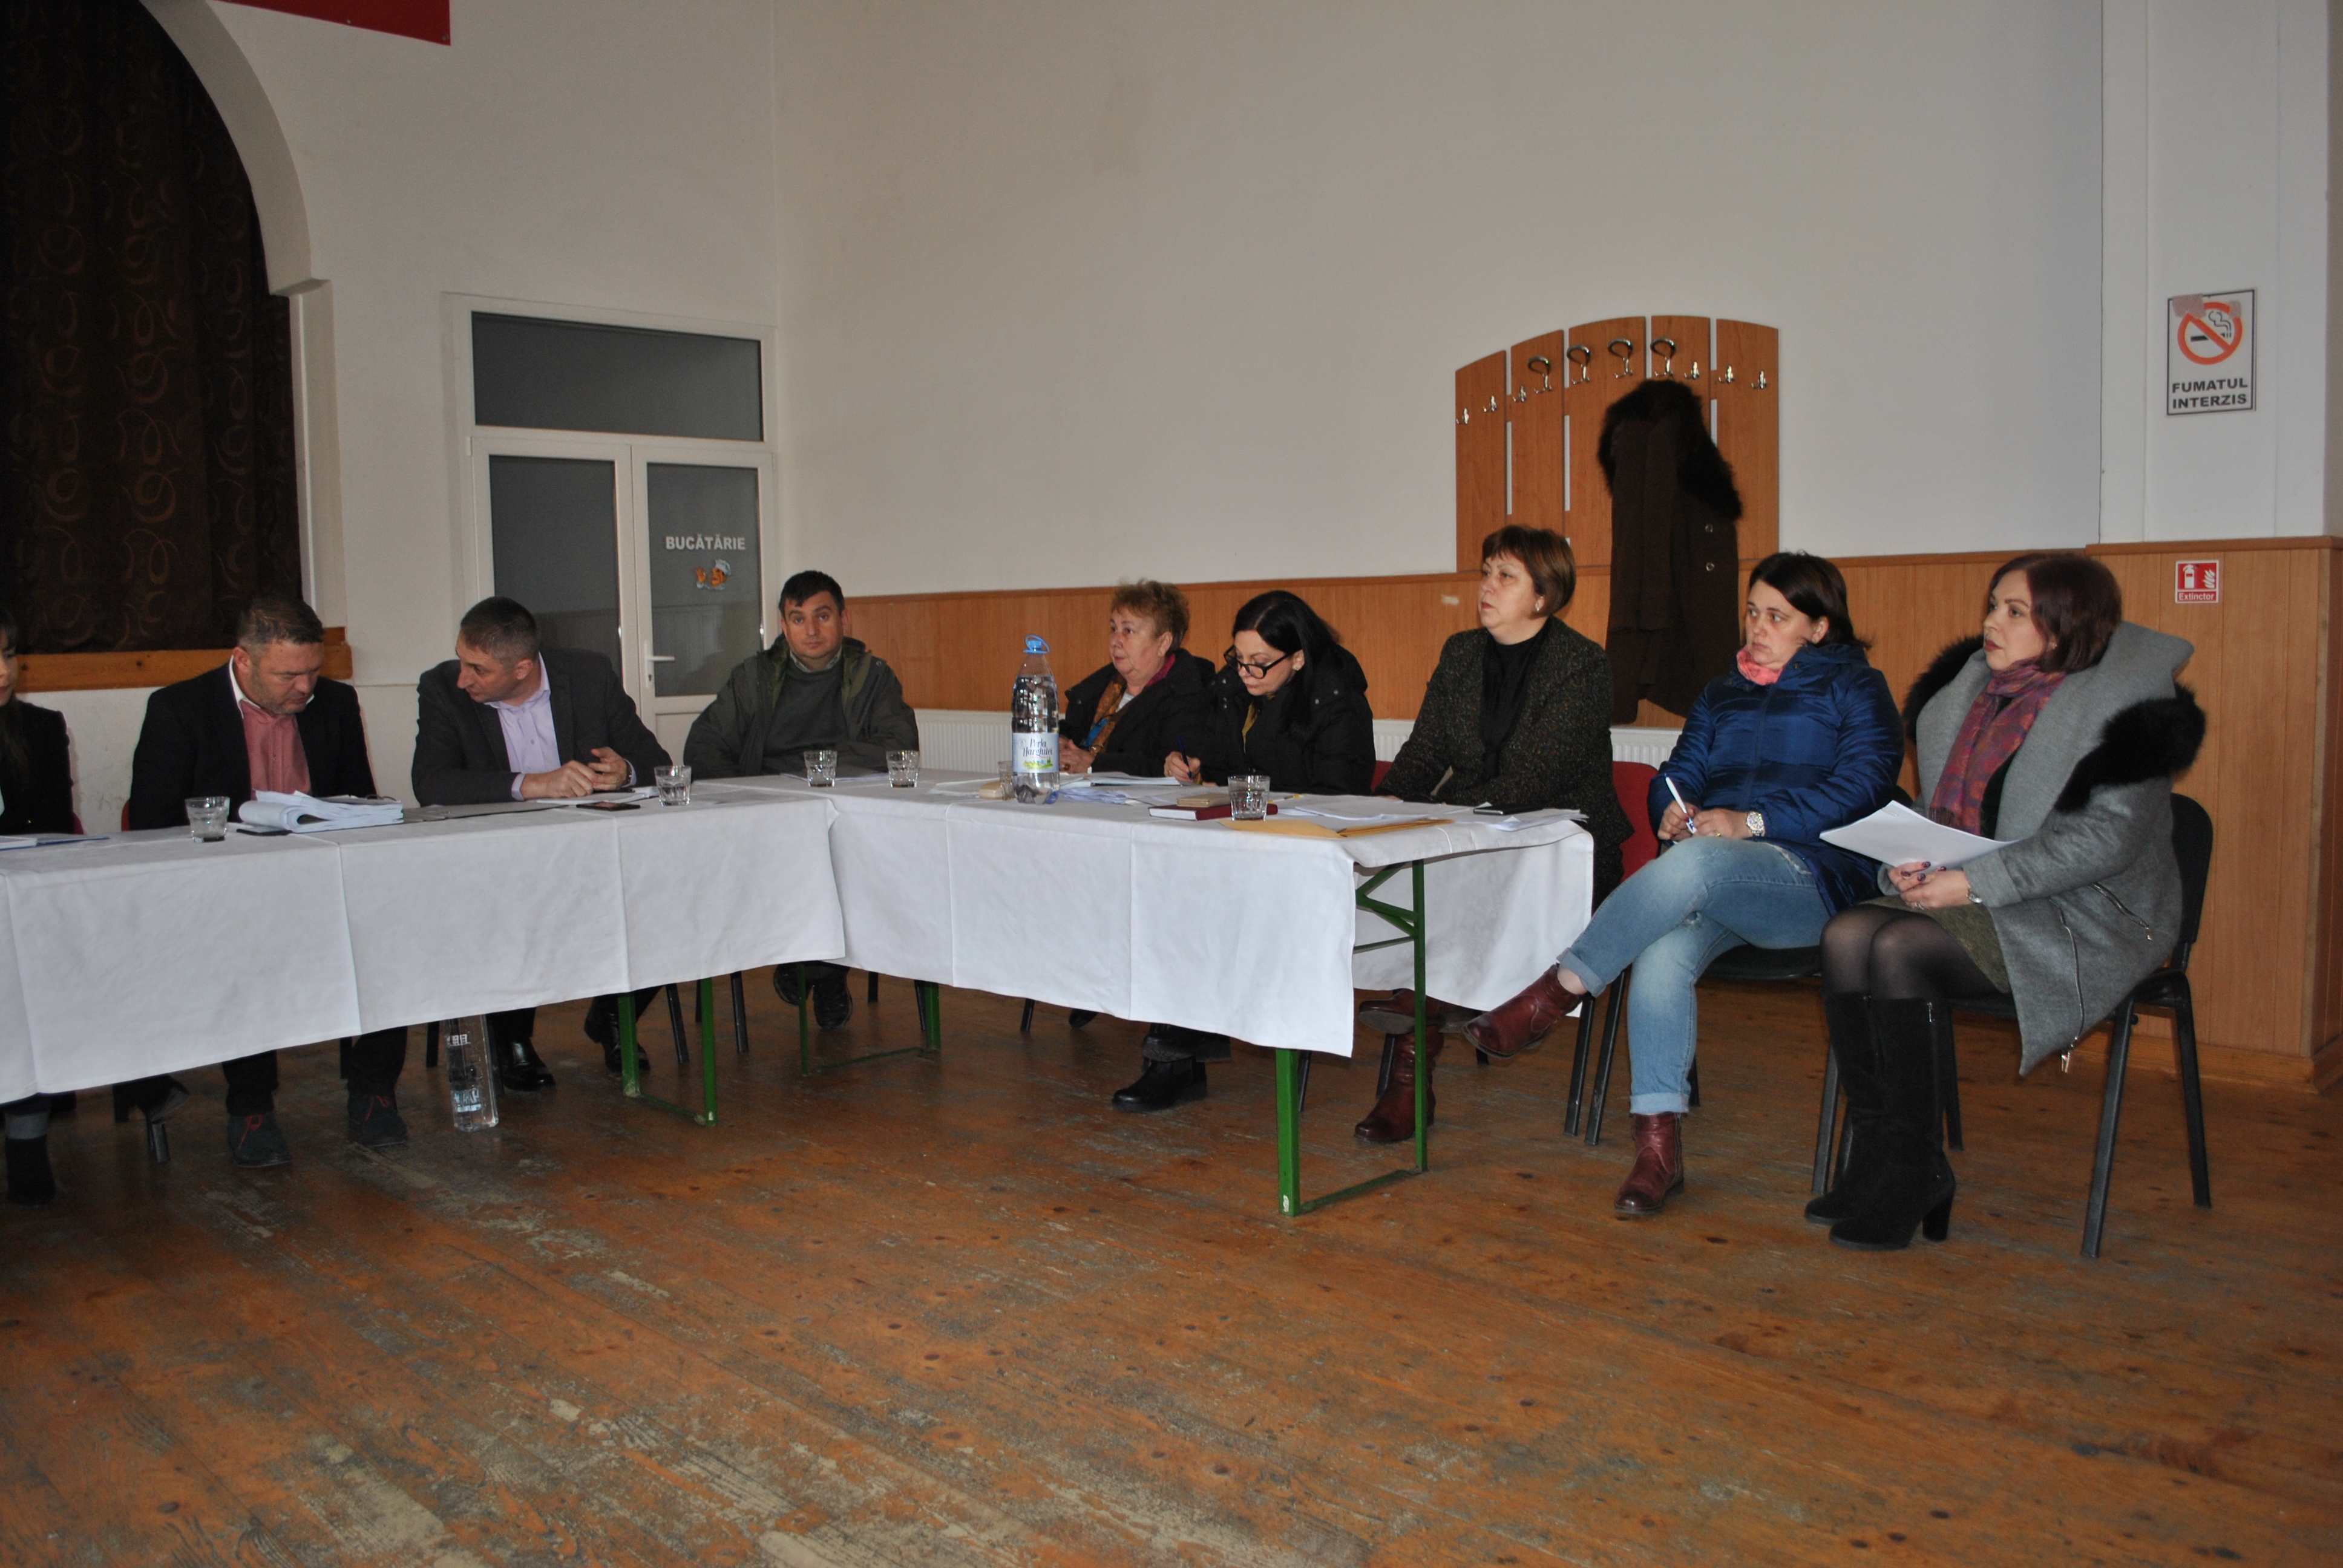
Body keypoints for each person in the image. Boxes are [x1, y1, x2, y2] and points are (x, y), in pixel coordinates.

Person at [1464, 552, 1903, 1216]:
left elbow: (1863, 787)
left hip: (1812, 879)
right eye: (1752, 613)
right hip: (1718, 880)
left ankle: (1559, 989)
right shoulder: (1722, 691)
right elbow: (1677, 771)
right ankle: (1657, 1150)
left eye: (1777, 617)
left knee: (1697, 863)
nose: (1758, 628)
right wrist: (1670, 809)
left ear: (1818, 628)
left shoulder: (1856, 687)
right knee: (1661, 952)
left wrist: (1751, 822)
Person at [1812, 553, 2200, 1251]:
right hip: (1986, 893)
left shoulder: (2131, 709)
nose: (1991, 622)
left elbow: (2103, 843)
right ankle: (1879, 1149)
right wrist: (1912, 859)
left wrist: (1970, 884)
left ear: (2065, 626)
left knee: (1897, 949)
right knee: (1845, 935)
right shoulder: (1973, 696)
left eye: (2014, 611)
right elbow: (1946, 814)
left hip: (2087, 911)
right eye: (1992, 605)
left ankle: (1912, 1170)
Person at [1351, 524, 1632, 1143]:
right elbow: (1425, 749)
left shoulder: (1582, 664)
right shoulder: (1460, 654)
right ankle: (1416, 1051)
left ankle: (1414, 1033)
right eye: (1486, 573)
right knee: (1422, 882)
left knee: (1449, 892)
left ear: (1543, 596)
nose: (1487, 586)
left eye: (1506, 576)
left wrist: (1440, 813)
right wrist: (1382, 807)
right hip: (1478, 836)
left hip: (1562, 847)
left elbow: (1538, 778)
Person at [122, 596, 410, 1166]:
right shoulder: (180, 708)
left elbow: (359, 801)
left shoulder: (335, 703)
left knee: (392, 933)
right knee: (244, 949)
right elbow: (154, 824)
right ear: (243, 660)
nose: (304, 687)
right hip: (224, 888)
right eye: (287, 675)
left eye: (313, 671)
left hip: (322, 876)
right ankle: (251, 1106)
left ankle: (374, 1089)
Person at [413, 596, 672, 1086]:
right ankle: (511, 1037)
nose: (464, 678)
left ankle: (614, 1015)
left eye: (478, 669)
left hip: (591, 852)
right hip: (498, 859)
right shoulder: (443, 689)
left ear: (523, 668)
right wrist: (532, 784)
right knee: (514, 905)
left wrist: (625, 771)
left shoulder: (588, 675)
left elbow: (655, 762)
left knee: (666, 893)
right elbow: (431, 783)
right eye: (462, 661)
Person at [684, 569, 918, 1028]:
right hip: (770, 812)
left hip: (845, 810)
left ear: (844, 620)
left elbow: (900, 748)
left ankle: (817, 969)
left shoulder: (872, 677)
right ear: (784, 625)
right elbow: (703, 745)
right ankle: (821, 970)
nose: (811, 630)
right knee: (804, 856)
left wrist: (818, 766)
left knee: (854, 859)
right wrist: (750, 792)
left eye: (822, 617)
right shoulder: (755, 677)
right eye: (798, 619)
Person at [0, 607, 79, 1204]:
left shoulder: (41, 728)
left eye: (8, 656)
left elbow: (55, 827)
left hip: (24, 899)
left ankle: (28, 1142)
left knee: (24, 989)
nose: (3, 671)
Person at [1166, 590, 1375, 795]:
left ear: (1298, 658)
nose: (1243, 672)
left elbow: (1339, 795)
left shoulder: (1338, 703)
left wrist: (1252, 798)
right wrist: (1193, 774)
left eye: (1259, 662)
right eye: (1239, 657)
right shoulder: (1230, 692)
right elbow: (1218, 773)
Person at [1059, 580, 1215, 779]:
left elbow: (1168, 769)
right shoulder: (1101, 684)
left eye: (1128, 631)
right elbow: (1073, 731)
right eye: (1113, 628)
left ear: (1163, 643)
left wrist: (1094, 765)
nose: (1115, 641)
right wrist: (1060, 740)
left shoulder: (1187, 695)